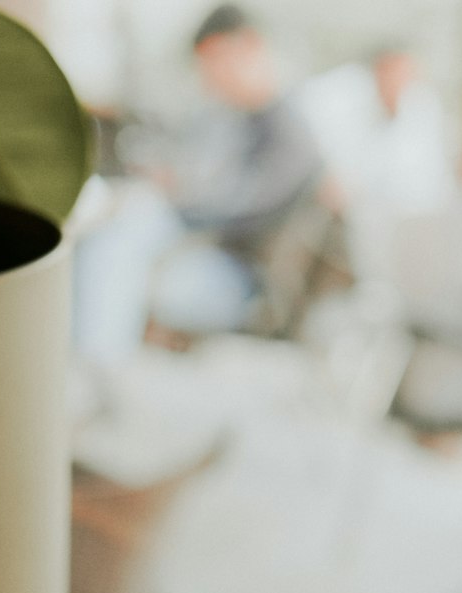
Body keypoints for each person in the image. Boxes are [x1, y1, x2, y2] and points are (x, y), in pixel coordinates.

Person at [71, 4, 333, 366]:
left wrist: (180, 195)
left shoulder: (291, 134)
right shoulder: (230, 118)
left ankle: (97, 370)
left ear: (249, 45)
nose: (210, 78)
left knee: (121, 252)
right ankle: (96, 365)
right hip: (199, 253)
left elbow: (239, 210)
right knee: (121, 236)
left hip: (241, 283)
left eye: (215, 61)